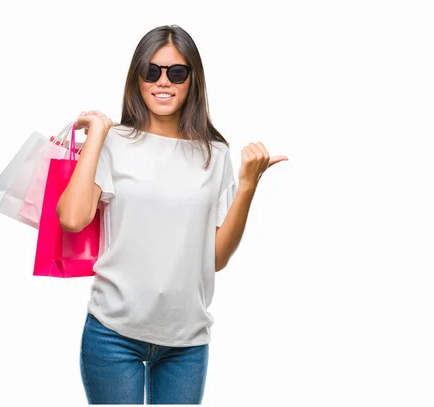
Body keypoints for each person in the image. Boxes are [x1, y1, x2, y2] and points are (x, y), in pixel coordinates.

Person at [56, 24, 288, 404]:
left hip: (186, 343)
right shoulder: (115, 143)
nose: (163, 82)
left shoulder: (214, 154)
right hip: (113, 334)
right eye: (152, 71)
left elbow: (216, 258)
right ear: (138, 77)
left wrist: (247, 186)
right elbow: (72, 218)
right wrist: (98, 134)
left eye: (176, 72)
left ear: (192, 80)